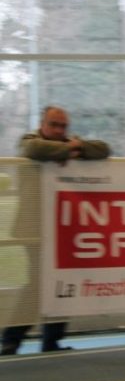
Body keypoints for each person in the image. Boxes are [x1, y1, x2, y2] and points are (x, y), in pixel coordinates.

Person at [1, 105, 111, 355]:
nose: (60, 130)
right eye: (54, 125)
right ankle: (12, 339)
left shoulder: (71, 143)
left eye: (63, 126)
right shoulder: (28, 140)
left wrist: (72, 148)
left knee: (63, 283)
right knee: (37, 285)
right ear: (42, 124)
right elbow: (34, 150)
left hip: (63, 227)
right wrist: (70, 150)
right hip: (34, 227)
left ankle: (51, 342)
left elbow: (103, 149)